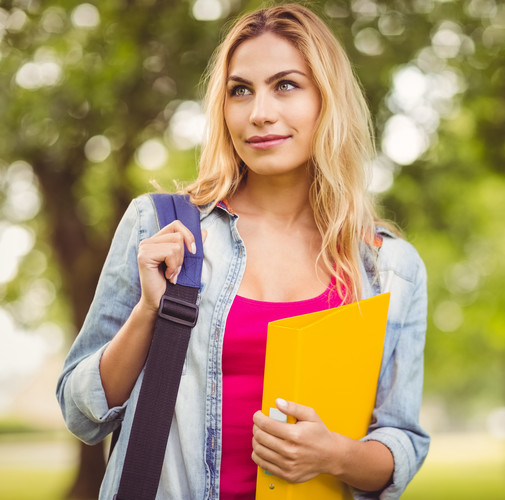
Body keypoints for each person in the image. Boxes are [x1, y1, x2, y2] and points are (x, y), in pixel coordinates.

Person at [56, 4, 429, 499]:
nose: (259, 113)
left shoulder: (389, 267)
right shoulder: (162, 228)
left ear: (327, 100)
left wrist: (334, 455)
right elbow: (80, 414)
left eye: (286, 85)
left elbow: (401, 440)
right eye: (240, 91)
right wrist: (150, 310)